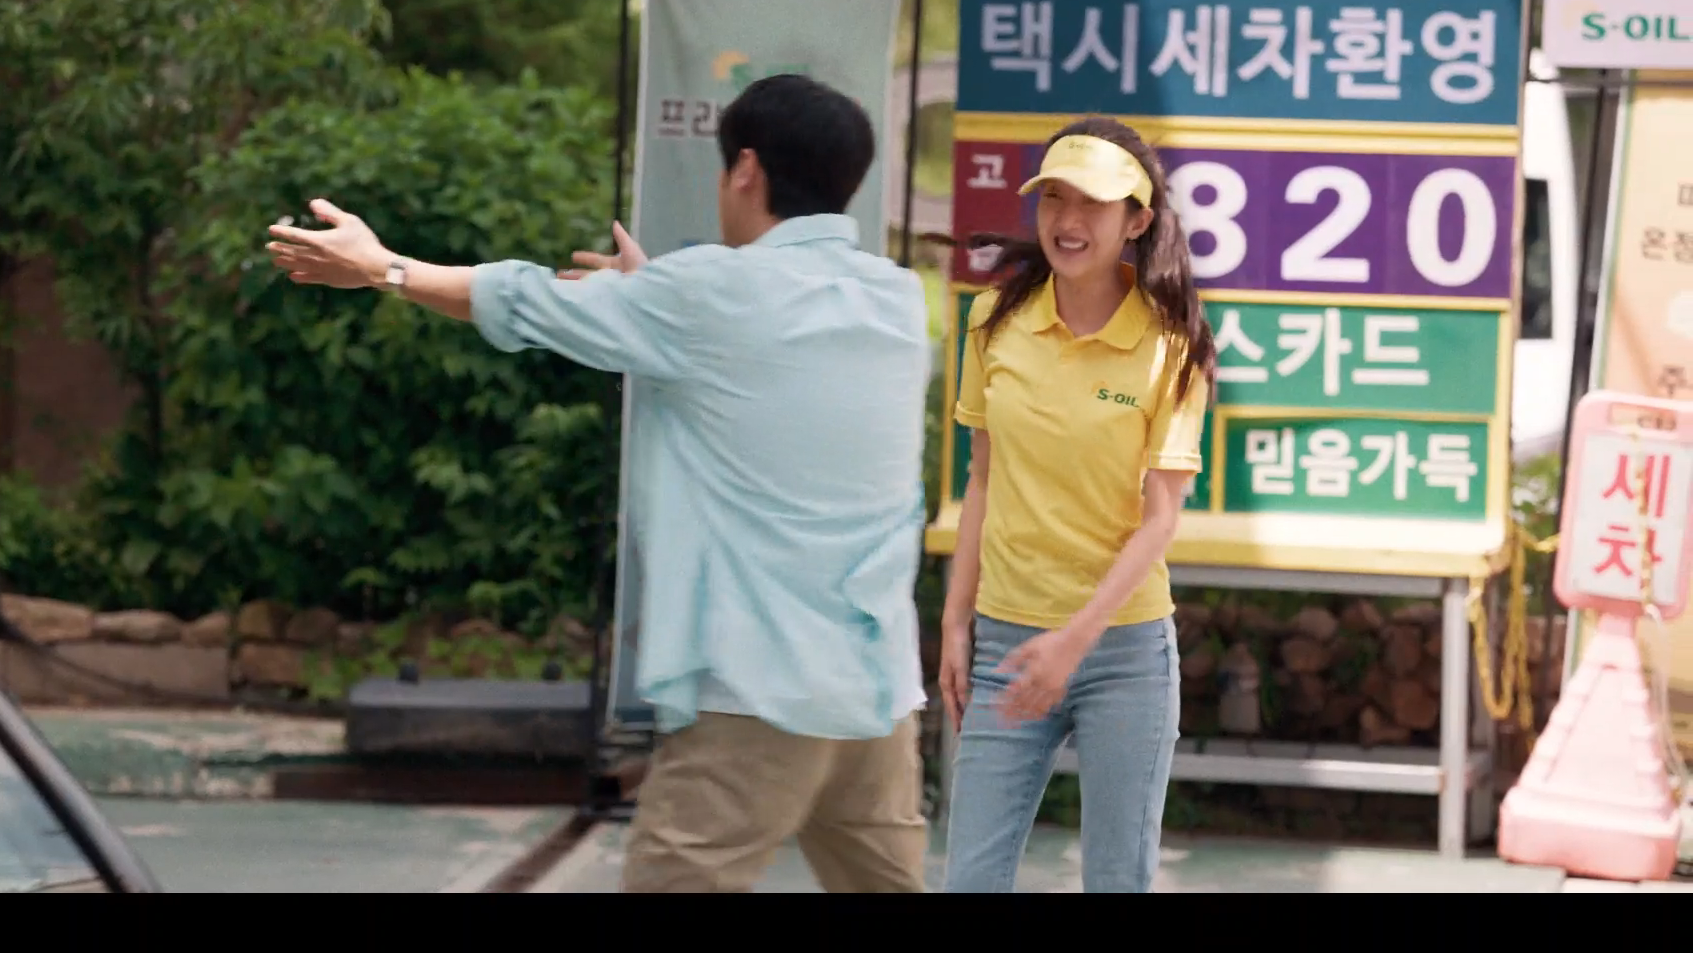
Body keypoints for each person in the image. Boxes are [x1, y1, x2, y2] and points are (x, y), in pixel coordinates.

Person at [266, 73, 933, 894]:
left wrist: (385, 269)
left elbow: (524, 301)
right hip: (876, 694)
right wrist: (648, 297)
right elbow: (760, 366)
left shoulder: (703, 298)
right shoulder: (896, 301)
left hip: (758, 692)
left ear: (746, 170)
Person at [936, 116, 1215, 894]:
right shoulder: (994, 320)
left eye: (1094, 203)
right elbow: (982, 478)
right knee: (970, 882)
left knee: (1117, 882)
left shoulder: (1172, 345)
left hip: (1123, 655)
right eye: (1054, 197)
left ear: (1137, 221)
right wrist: (957, 621)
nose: (1068, 219)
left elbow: (1161, 520)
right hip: (1004, 645)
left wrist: (1072, 642)